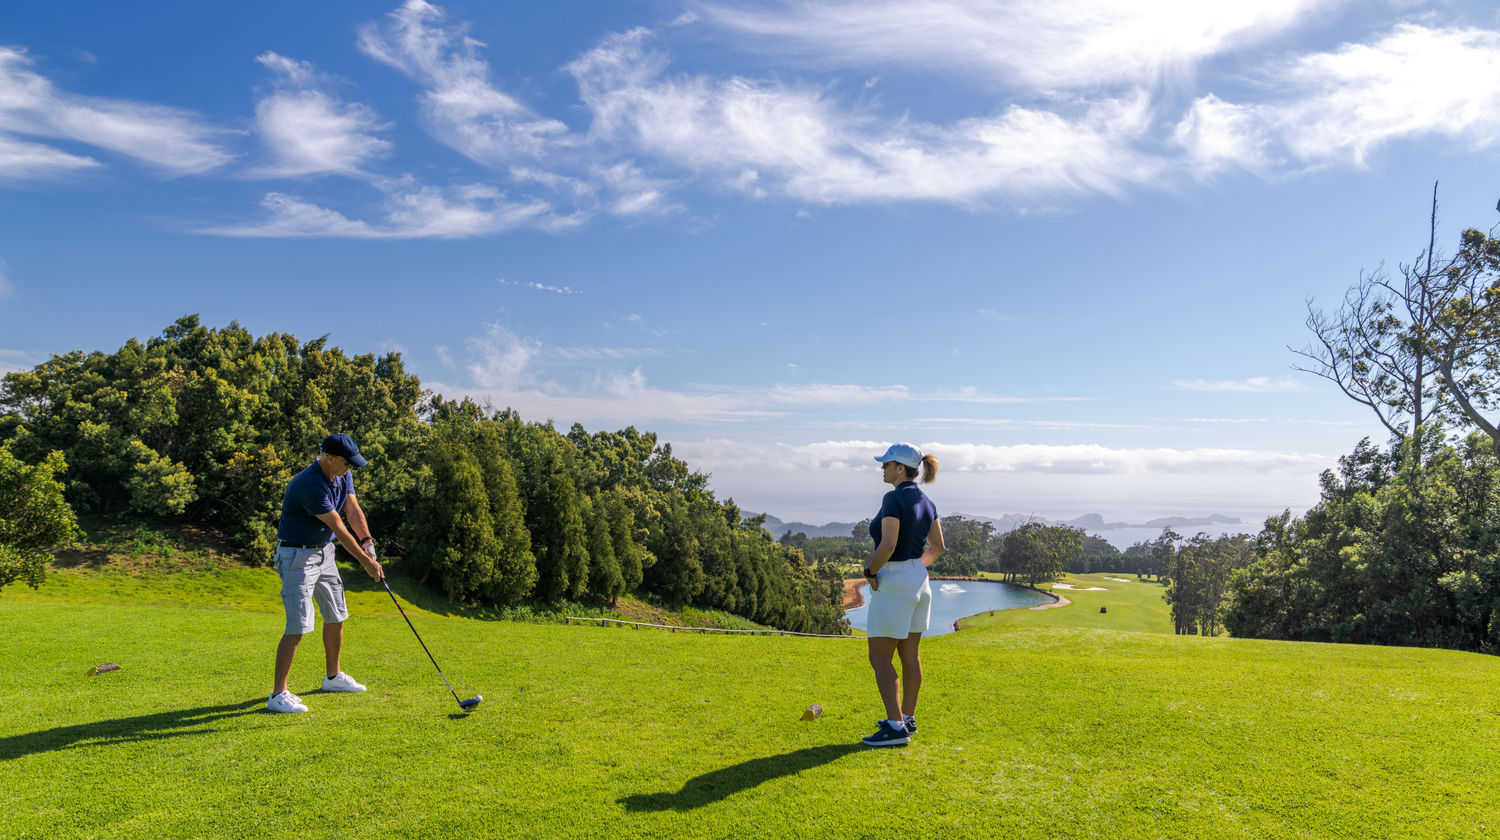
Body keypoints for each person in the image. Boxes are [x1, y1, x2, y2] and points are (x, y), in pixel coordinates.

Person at [267, 433, 384, 714]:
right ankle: (277, 694)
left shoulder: (342, 474)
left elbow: (352, 510)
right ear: (329, 458)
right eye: (347, 462)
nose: (350, 468)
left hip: (324, 553)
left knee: (336, 614)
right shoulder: (309, 484)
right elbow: (339, 529)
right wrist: (365, 563)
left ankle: (332, 677)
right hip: (297, 557)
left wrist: (367, 541)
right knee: (298, 625)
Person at [860, 443, 944, 747]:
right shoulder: (927, 501)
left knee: (879, 656)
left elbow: (888, 544)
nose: (882, 468)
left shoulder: (893, 498)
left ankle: (895, 728)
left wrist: (870, 572)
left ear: (899, 468)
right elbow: (937, 547)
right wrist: (913, 569)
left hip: (895, 582)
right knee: (910, 655)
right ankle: (907, 718)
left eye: (886, 464)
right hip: (920, 582)